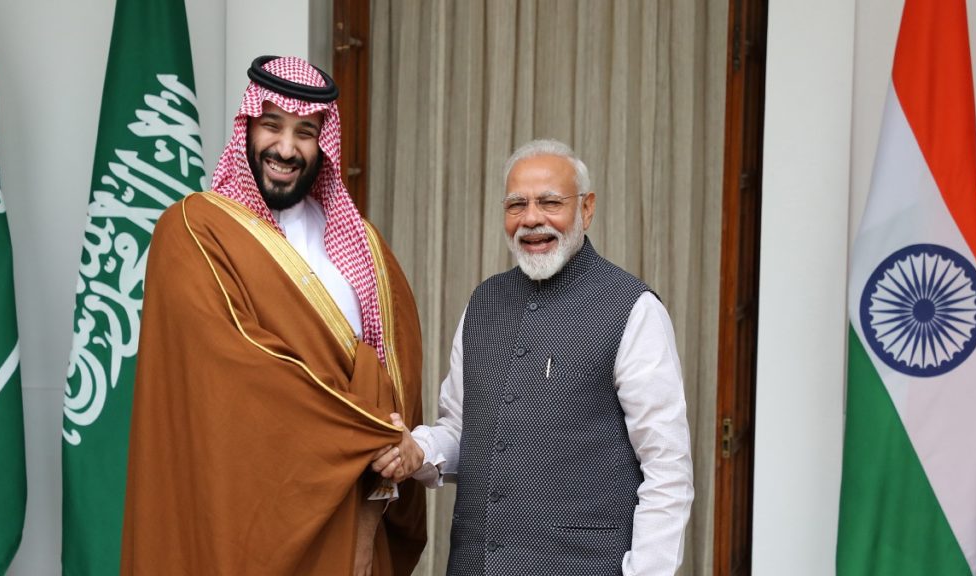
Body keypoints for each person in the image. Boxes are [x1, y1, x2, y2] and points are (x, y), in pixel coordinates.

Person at [121, 56, 425, 576]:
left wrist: (392, 448)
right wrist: (371, 429)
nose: (286, 148)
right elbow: (240, 372)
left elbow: (395, 365)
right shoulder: (194, 230)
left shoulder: (363, 245)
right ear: (247, 127)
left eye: (305, 132)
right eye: (272, 126)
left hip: (354, 504)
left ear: (323, 144)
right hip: (245, 507)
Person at [374, 139, 694, 576]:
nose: (531, 219)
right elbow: (463, 430)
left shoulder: (633, 309)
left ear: (586, 209)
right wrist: (418, 451)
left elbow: (667, 468)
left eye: (550, 202)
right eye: (516, 205)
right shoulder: (483, 302)